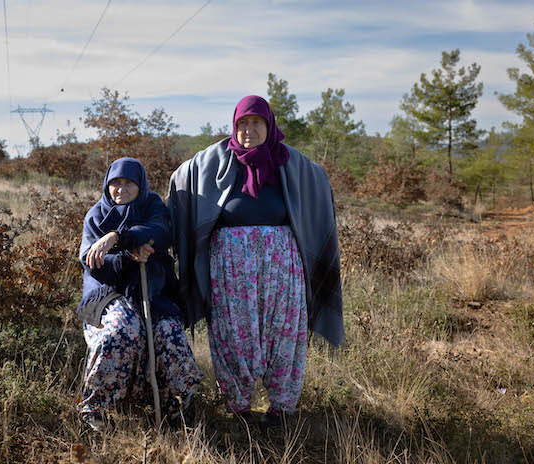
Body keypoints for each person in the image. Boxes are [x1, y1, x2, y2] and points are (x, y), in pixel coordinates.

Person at [168, 95, 343, 428]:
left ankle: (280, 406)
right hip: (230, 267)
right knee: (232, 331)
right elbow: (182, 178)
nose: (248, 130)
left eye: (256, 123)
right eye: (242, 123)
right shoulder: (218, 161)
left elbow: (317, 181)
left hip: (282, 266)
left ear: (269, 125)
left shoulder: (290, 163)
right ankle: (239, 404)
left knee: (285, 331)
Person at [76, 157, 203, 431]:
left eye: (128, 183)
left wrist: (119, 238)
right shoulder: (96, 215)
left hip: (154, 290)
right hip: (109, 293)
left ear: (141, 185)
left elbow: (161, 229)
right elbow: (90, 259)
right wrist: (127, 257)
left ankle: (177, 408)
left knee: (170, 333)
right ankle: (96, 409)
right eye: (115, 183)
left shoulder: (152, 204)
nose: (120, 189)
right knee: (122, 330)